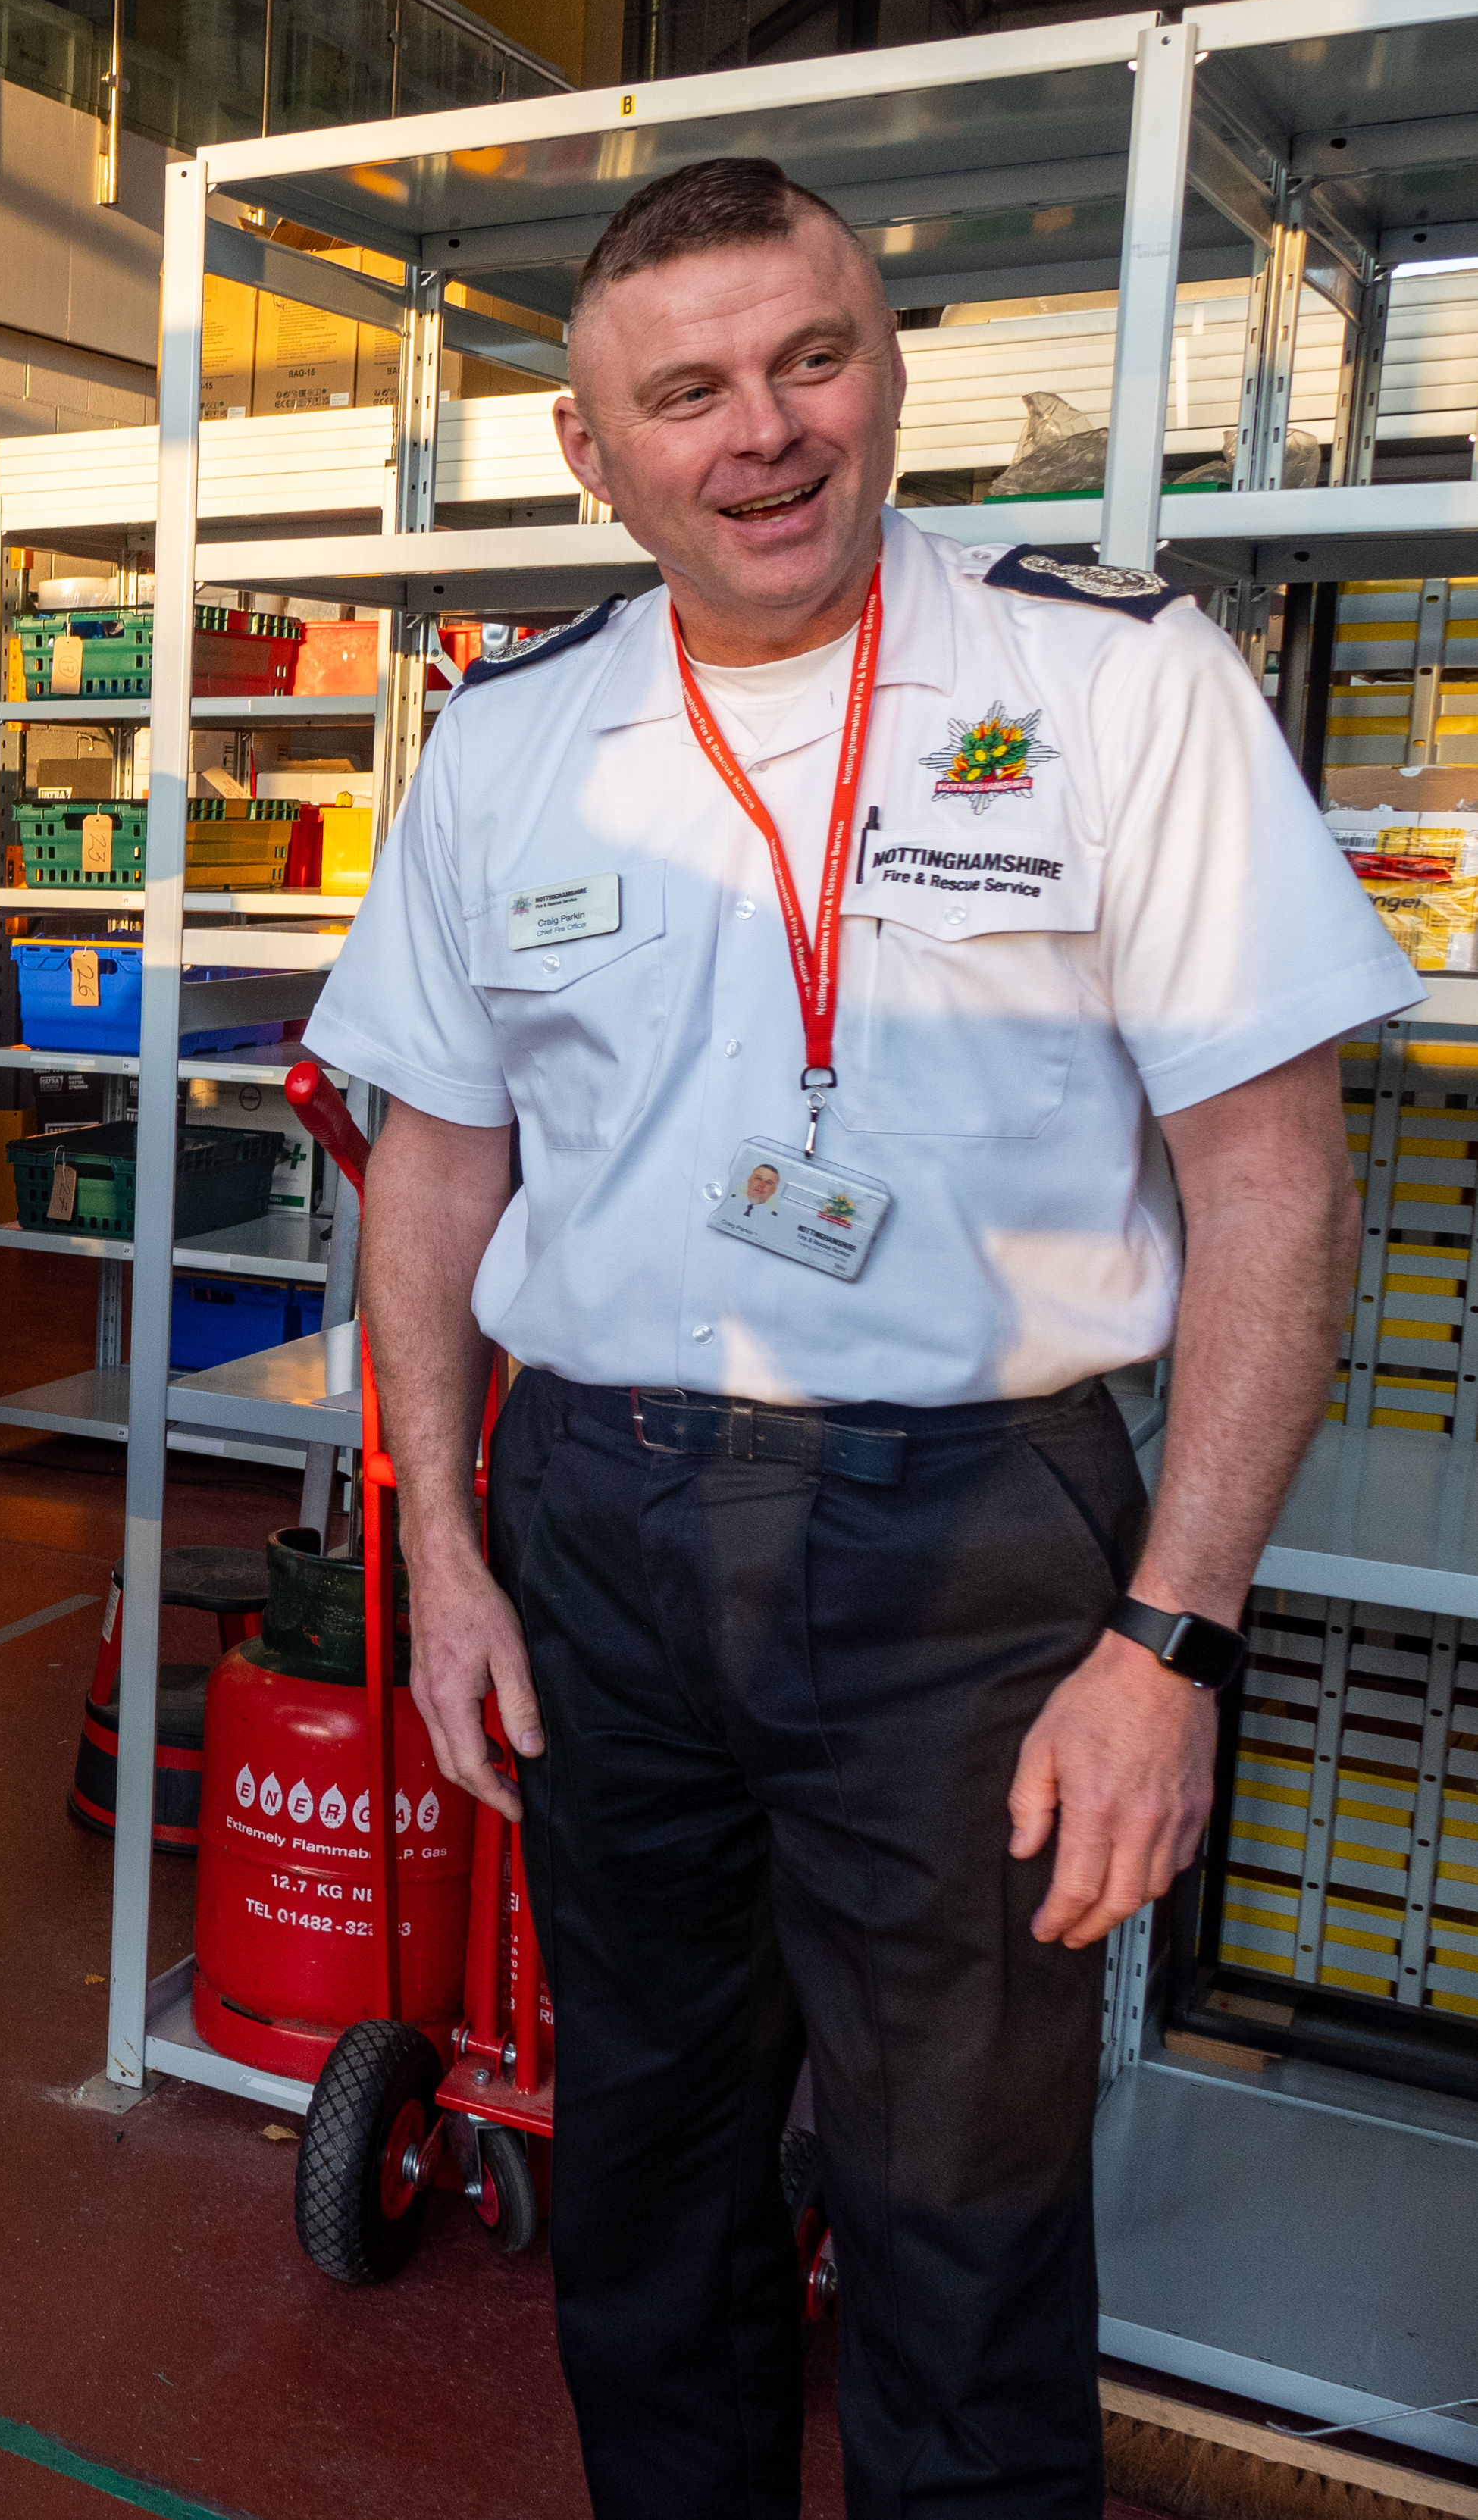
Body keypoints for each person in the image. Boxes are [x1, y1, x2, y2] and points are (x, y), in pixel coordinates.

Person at [301, 158, 1418, 2517]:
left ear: (887, 365)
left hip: (968, 1542)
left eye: (808, 358)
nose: (763, 431)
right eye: (686, 392)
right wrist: (443, 1556)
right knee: (645, 2162)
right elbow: (432, 1166)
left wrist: (1170, 1641)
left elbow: (1270, 1180)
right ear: (590, 452)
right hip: (593, 1517)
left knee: (958, 2209)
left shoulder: (1108, 681)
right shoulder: (508, 740)